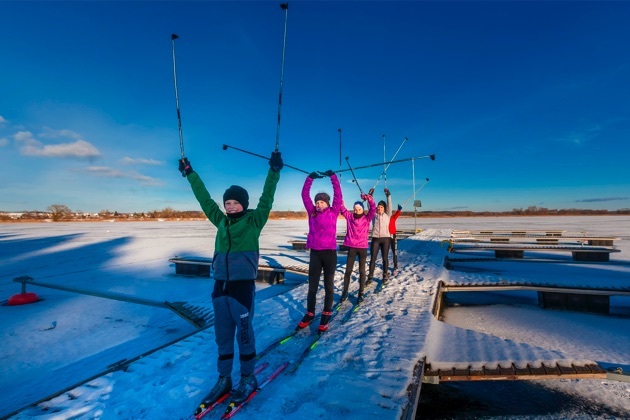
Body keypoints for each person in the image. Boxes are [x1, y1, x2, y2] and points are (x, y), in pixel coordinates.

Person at [179, 150, 283, 410]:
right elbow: (204, 200)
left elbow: (267, 198)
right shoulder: (221, 222)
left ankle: (248, 377)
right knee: (222, 338)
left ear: (244, 205)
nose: (231, 206)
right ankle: (224, 378)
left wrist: (274, 171)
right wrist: (190, 173)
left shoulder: (253, 222)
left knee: (244, 337)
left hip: (241, 290)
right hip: (220, 289)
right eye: (228, 203)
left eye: (235, 203)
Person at [299, 169, 342, 332]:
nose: (318, 204)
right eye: (317, 202)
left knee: (329, 286)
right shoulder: (312, 213)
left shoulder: (333, 211)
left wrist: (333, 177)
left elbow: (338, 194)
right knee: (312, 287)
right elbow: (304, 195)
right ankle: (310, 313)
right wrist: (310, 178)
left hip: (329, 253)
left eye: (322, 202)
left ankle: (326, 314)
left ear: (328, 203)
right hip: (315, 254)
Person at [340, 192, 376, 303]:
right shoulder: (350, 217)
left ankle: (361, 293)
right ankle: (345, 292)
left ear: (362, 210)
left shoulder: (367, 218)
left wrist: (369, 198)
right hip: (352, 247)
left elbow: (373, 209)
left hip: (362, 248)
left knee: (362, 271)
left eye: (359, 209)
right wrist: (340, 201)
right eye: (355, 209)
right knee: (348, 271)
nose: (356, 211)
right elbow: (342, 209)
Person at [367, 188, 393, 285]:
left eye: (381, 207)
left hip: (385, 238)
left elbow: (389, 205)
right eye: (378, 207)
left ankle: (385, 275)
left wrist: (388, 195)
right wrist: (370, 196)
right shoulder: (374, 214)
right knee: (373, 258)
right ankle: (370, 277)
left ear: (384, 208)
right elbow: (370, 206)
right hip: (375, 239)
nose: (379, 208)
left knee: (385, 258)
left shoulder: (387, 214)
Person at [389, 203, 403, 272]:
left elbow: (397, 214)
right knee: (384, 252)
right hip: (385, 236)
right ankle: (385, 265)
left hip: (393, 235)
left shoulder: (392, 217)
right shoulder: (384, 218)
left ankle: (395, 265)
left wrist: (399, 209)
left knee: (394, 251)